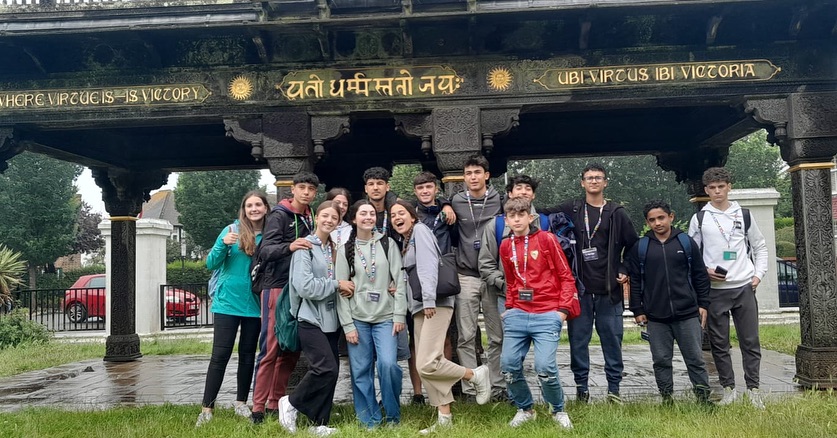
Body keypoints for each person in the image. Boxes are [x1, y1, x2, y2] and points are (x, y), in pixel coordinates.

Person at [390, 200, 490, 434]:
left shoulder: (420, 231)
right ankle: (444, 418)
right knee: (426, 365)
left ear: (412, 216)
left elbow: (428, 266)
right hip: (419, 307)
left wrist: (428, 300)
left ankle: (474, 374)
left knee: (427, 363)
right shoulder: (407, 240)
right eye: (393, 215)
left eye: (401, 213)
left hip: (434, 304)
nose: (397, 218)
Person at [541, 163, 638, 404]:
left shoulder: (616, 213)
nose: (594, 181)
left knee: (612, 341)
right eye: (589, 178)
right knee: (578, 342)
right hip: (580, 290)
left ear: (606, 182)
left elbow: (633, 245)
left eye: (598, 178)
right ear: (582, 182)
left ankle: (614, 389)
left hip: (609, 290)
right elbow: (540, 211)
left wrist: (623, 268)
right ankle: (581, 389)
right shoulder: (573, 208)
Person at [688, 167, 768, 409]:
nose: (717, 192)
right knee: (719, 343)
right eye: (712, 188)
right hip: (715, 289)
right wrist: (704, 271)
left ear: (729, 187)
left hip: (743, 286)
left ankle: (753, 389)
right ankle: (728, 388)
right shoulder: (700, 218)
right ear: (706, 190)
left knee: (750, 341)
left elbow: (760, 246)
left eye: (721, 186)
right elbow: (692, 255)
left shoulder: (743, 214)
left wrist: (758, 275)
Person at [499, 198, 579, 429]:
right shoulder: (505, 246)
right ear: (506, 220)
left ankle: (558, 410)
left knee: (544, 367)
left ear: (530, 217)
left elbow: (566, 276)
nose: (516, 219)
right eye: (512, 216)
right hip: (518, 313)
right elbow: (511, 281)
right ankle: (525, 409)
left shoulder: (547, 239)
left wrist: (562, 311)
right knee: (508, 365)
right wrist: (510, 307)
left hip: (547, 312)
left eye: (521, 215)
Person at [278, 201, 356, 437]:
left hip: (332, 319)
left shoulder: (332, 248)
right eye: (325, 215)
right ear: (316, 218)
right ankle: (290, 403)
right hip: (310, 318)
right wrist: (336, 284)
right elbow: (304, 286)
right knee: (325, 368)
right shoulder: (305, 247)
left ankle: (319, 422)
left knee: (332, 373)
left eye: (334, 218)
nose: (329, 220)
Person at [626, 200, 712, 405]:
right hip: (655, 316)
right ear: (647, 222)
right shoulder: (641, 247)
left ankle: (703, 398)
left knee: (695, 359)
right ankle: (667, 399)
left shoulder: (685, 242)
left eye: (661, 218)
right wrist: (637, 309)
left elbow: (700, 275)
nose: (657, 223)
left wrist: (703, 304)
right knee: (661, 360)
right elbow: (635, 280)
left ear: (671, 217)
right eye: (652, 220)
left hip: (687, 312)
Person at [196, 191, 269, 427]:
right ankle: (207, 408)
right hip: (227, 303)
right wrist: (222, 244)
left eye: (258, 204)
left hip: (254, 305)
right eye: (249, 205)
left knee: (247, 355)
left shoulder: (270, 234)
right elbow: (211, 263)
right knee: (220, 355)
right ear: (244, 209)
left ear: (266, 208)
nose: (254, 209)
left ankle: (241, 403)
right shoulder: (231, 230)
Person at [251, 172, 318, 424]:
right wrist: (290, 246)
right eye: (302, 188)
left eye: (311, 189)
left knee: (290, 347)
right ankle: (257, 409)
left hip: (299, 288)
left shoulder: (311, 216)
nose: (306, 192)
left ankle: (275, 403)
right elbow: (266, 251)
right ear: (293, 189)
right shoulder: (279, 215)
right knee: (270, 348)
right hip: (276, 286)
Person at [336, 200, 408, 429]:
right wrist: (347, 325)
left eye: (371, 214)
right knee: (360, 371)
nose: (368, 217)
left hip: (386, 317)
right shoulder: (344, 249)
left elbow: (400, 280)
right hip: (357, 318)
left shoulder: (387, 243)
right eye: (363, 214)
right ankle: (369, 419)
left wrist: (399, 315)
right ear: (354, 219)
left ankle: (392, 414)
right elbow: (341, 291)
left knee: (388, 365)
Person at [477, 174, 545, 401]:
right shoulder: (496, 225)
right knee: (498, 340)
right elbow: (485, 263)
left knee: (530, 341)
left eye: (528, 188)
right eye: (518, 188)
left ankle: (525, 386)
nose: (523, 191)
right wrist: (505, 284)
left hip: (537, 295)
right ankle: (499, 388)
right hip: (501, 293)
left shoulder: (544, 224)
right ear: (509, 193)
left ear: (533, 195)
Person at [449, 154, 503, 400]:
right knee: (466, 335)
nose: (473, 177)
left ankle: (498, 385)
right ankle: (472, 388)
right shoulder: (457, 201)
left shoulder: (499, 200)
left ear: (486, 175)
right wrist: (445, 205)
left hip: (492, 275)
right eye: (468, 173)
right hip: (466, 274)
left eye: (477, 172)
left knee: (497, 335)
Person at [409, 171, 457, 404]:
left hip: (443, 275)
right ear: (415, 191)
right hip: (417, 277)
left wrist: (446, 204)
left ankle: (444, 390)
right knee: (416, 341)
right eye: (420, 188)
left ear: (436, 189)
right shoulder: (411, 214)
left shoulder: (447, 213)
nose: (425, 191)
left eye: (429, 187)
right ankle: (419, 393)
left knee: (444, 337)